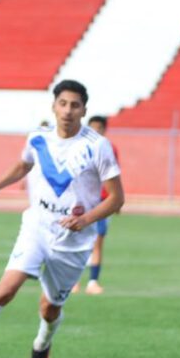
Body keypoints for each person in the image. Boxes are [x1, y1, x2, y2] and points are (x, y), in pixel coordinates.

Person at [0, 80, 123, 358]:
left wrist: (85, 220)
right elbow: (22, 166)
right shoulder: (38, 139)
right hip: (37, 226)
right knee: (6, 288)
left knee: (50, 308)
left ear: (84, 110)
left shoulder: (97, 147)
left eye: (75, 105)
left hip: (73, 239)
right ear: (54, 106)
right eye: (63, 103)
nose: (68, 110)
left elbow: (117, 198)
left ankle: (41, 345)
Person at [72, 115, 118, 295]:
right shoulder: (78, 148)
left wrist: (115, 201)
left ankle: (93, 281)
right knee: (76, 242)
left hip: (102, 204)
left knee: (97, 242)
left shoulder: (108, 148)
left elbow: (114, 177)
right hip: (82, 203)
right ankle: (73, 281)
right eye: (93, 128)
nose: (96, 131)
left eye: (99, 128)